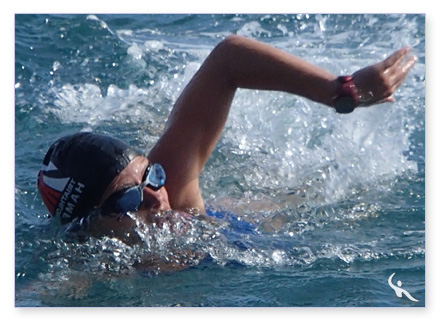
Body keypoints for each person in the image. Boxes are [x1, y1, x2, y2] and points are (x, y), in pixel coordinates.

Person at [37, 35, 417, 242]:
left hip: (249, 218)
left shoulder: (174, 189)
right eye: (128, 197)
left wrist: (341, 90)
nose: (156, 196)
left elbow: (227, 60)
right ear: (89, 224)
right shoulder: (91, 278)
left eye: (150, 175)